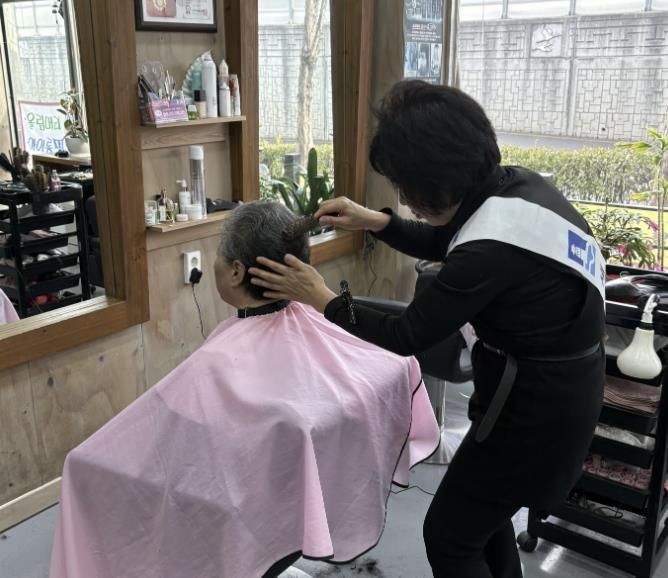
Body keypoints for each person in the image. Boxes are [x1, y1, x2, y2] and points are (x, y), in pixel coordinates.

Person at [249, 81, 606, 578]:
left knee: (449, 538)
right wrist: (376, 221)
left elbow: (407, 334)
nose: (403, 198)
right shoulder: (517, 188)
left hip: (534, 415)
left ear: (440, 177)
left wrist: (321, 297)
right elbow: (451, 240)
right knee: (485, 524)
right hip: (559, 393)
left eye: (405, 186)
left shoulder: (490, 247)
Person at [49, 201, 439, 578]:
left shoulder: (215, 365)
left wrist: (82, 462)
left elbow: (159, 439)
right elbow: (395, 366)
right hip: (281, 491)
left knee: (83, 465)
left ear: (236, 271)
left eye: (220, 253)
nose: (215, 262)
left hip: (245, 503)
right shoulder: (317, 328)